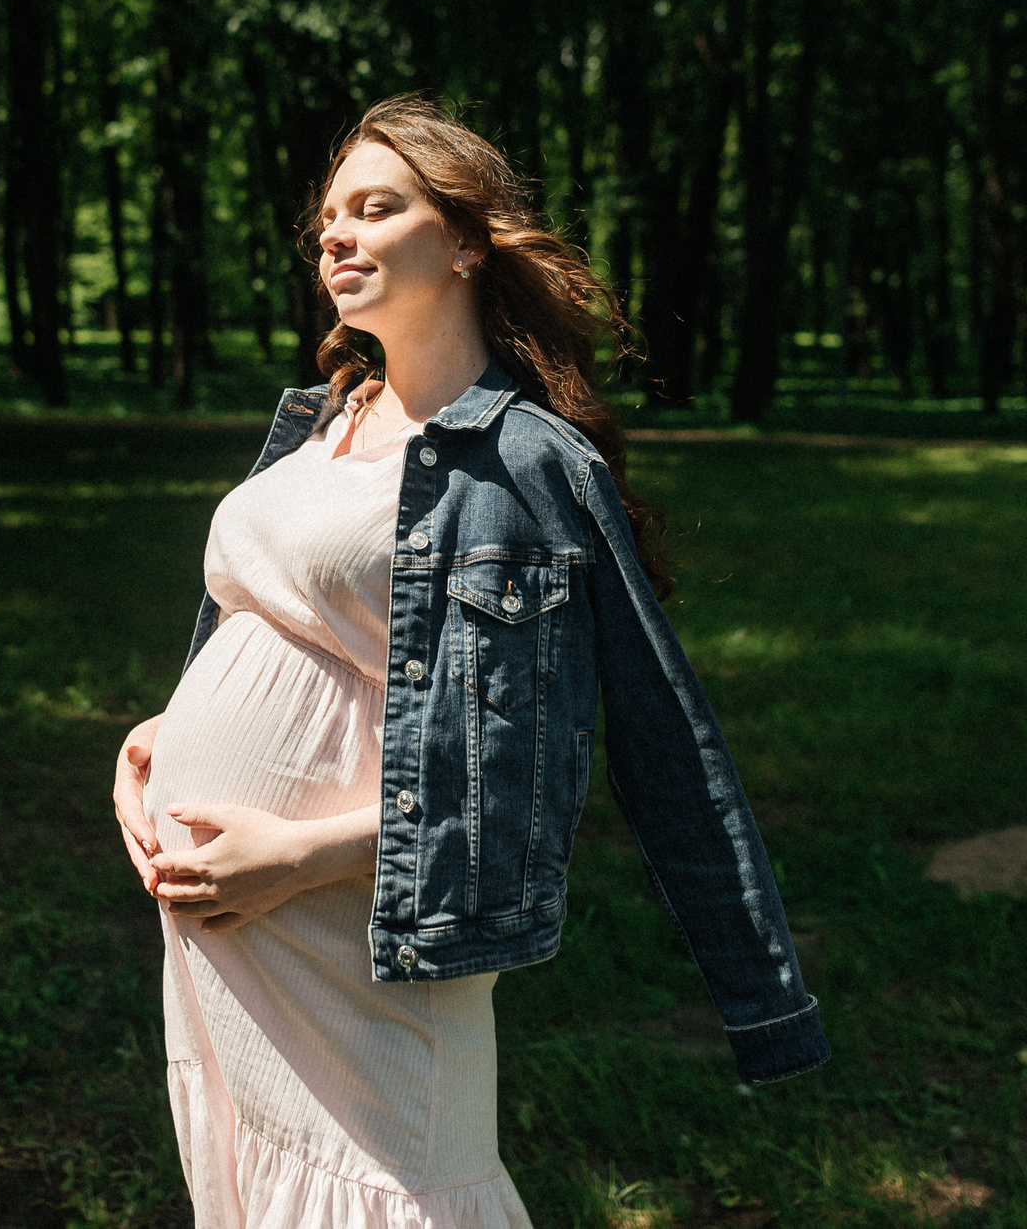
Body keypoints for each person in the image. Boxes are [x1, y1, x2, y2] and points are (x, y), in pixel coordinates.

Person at [111, 98, 825, 1227]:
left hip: (361, 916)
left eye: (375, 208)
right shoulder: (318, 419)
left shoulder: (524, 461)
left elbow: (596, 758)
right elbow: (265, 613)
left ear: (462, 240)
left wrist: (296, 853)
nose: (335, 236)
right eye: (328, 219)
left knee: (404, 1189)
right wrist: (153, 741)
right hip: (238, 924)